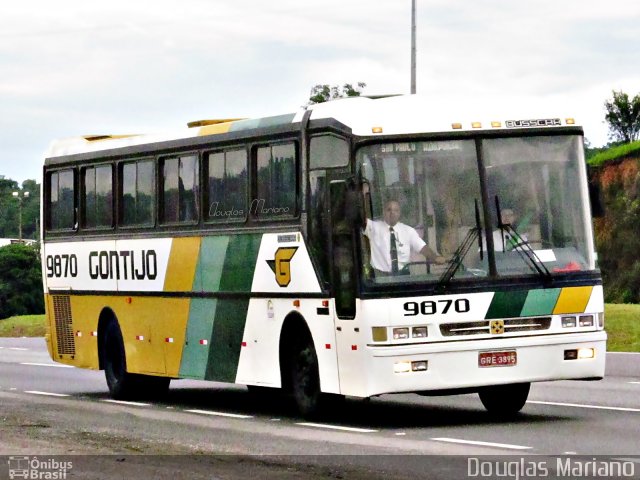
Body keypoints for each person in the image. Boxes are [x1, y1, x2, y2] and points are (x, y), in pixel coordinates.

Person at [363, 199, 445, 276]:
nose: (392, 213)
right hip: (380, 276)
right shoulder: (373, 227)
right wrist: (363, 194)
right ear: (384, 212)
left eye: (396, 210)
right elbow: (360, 218)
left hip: (402, 275)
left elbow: (422, 247)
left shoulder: (408, 231)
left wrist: (435, 257)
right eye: (389, 210)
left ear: (399, 213)